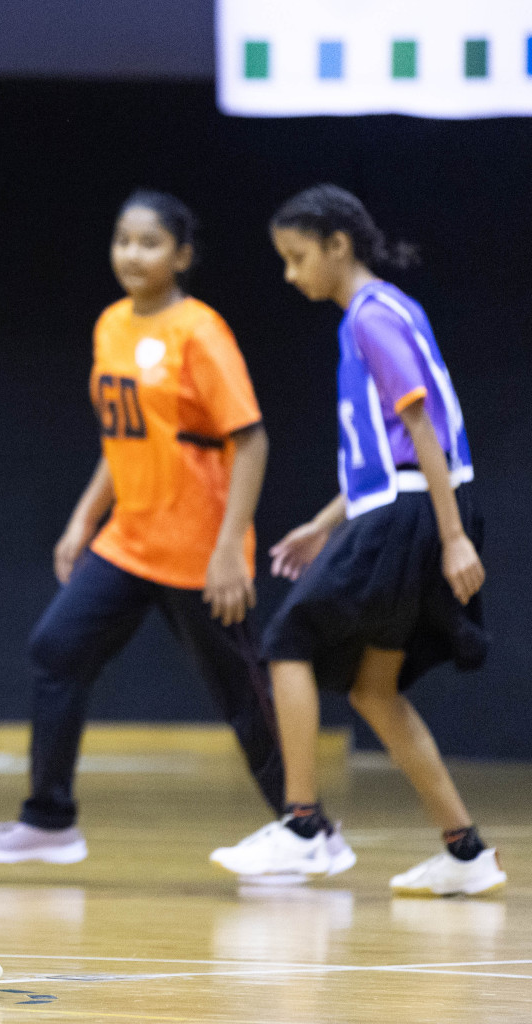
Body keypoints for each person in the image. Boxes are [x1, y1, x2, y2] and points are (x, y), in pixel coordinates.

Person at [0, 193, 346, 872]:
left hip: (201, 551)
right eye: (122, 241)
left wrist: (231, 549)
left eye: (148, 243)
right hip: (129, 539)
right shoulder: (111, 324)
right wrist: (85, 517)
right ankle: (49, 820)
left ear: (182, 256)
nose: (131, 255)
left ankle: (306, 830)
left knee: (242, 695)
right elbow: (124, 438)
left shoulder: (200, 331)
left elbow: (252, 443)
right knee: (56, 649)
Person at [211, 184, 503, 897]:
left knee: (286, 643)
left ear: (338, 246)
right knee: (374, 689)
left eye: (297, 257)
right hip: (406, 506)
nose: (290, 273)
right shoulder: (391, 311)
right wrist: (326, 520)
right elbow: (395, 447)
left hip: (412, 512)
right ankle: (465, 851)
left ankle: (304, 827)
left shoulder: (371, 317)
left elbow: (424, 428)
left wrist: (453, 534)